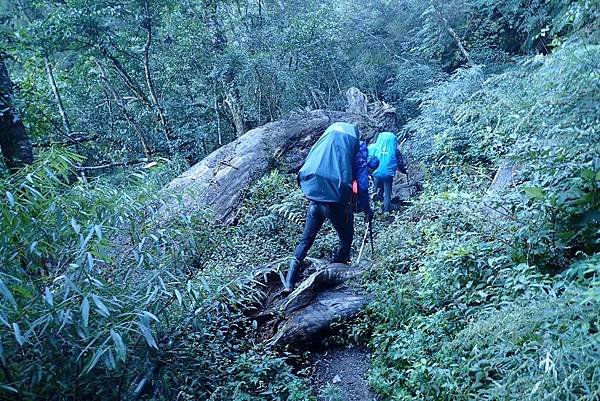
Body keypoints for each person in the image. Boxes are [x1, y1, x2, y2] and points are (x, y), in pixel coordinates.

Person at [283, 122, 360, 294]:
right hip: (334, 205)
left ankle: (289, 282)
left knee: (305, 241)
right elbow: (357, 179)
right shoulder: (352, 149)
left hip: (315, 204)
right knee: (346, 238)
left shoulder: (322, 145)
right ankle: (336, 272)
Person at [368, 132, 407, 212]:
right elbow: (400, 163)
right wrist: (404, 171)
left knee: (373, 191)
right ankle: (385, 212)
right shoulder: (395, 151)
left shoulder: (373, 147)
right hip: (387, 175)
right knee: (387, 194)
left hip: (376, 172)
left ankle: (372, 210)